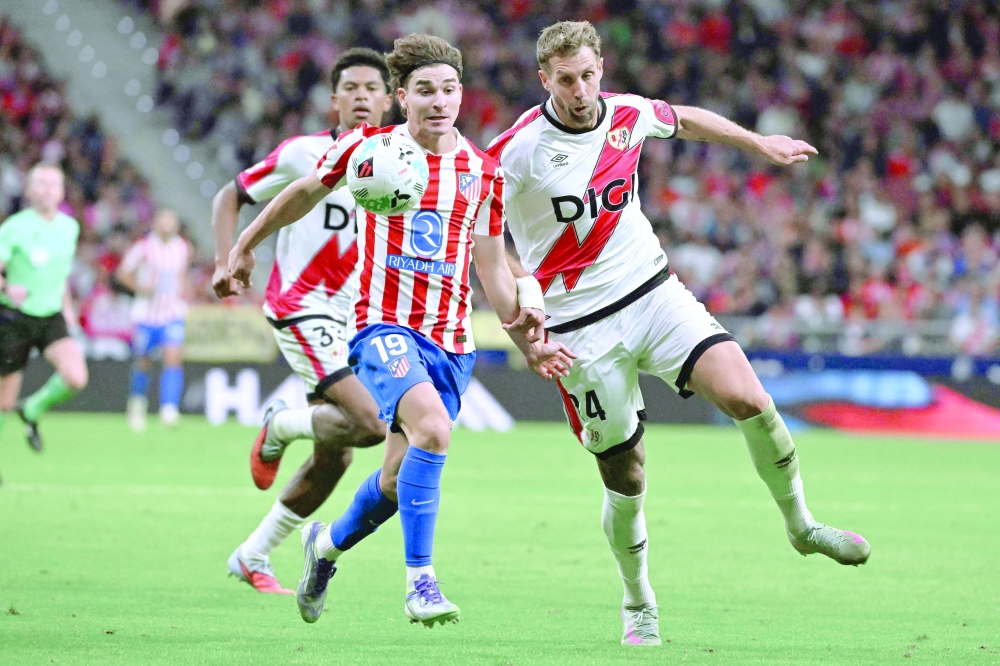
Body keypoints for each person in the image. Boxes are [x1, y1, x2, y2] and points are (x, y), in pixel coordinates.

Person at [485, 21, 871, 646]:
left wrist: (759, 144)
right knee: (627, 473)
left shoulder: (629, 115)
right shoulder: (515, 151)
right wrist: (523, 325)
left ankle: (802, 526)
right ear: (543, 80)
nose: (580, 90)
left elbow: (684, 118)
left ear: (601, 68)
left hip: (654, 293)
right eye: (565, 79)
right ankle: (638, 601)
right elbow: (487, 245)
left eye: (587, 75)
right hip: (579, 328)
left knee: (749, 397)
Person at [228, 33, 572, 627]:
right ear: (401, 97)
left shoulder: (482, 173)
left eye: (448, 89)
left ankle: (324, 546)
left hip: (450, 343)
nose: (439, 101)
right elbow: (306, 191)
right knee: (433, 432)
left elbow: (491, 266)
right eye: (424, 91)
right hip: (381, 329)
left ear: (460, 94)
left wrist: (529, 343)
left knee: (392, 482)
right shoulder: (369, 149)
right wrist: (244, 244)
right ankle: (421, 583)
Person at [211, 48, 393, 594]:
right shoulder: (304, 154)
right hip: (303, 307)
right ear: (334, 99)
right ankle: (280, 424)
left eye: (371, 88)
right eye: (351, 88)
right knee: (373, 424)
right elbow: (231, 195)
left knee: (335, 457)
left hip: (360, 321)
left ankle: (252, 555)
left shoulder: (400, 161)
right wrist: (226, 261)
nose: (362, 96)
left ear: (390, 99)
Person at [0, 164, 88, 457]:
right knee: (4, 402)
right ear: (29, 190)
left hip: (50, 316)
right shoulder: (14, 227)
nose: (48, 190)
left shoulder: (69, 227)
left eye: (54, 185)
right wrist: (7, 288)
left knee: (76, 376)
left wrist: (67, 307)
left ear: (62, 191)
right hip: (15, 317)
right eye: (41, 184)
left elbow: (58, 274)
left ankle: (33, 408)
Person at [116, 209, 191, 430]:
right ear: (156, 223)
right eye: (164, 220)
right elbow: (122, 273)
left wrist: (183, 292)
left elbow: (182, 275)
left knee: (173, 356)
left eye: (171, 220)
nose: (167, 224)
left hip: (172, 313)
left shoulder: (182, 247)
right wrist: (140, 288)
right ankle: (137, 404)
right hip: (146, 314)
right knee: (143, 361)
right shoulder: (144, 247)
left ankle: (169, 409)